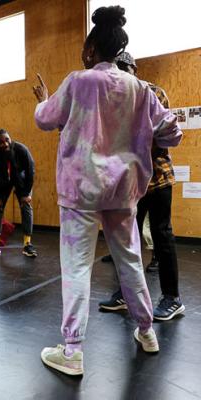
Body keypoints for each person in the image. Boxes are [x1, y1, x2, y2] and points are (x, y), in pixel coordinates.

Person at [33, 6, 182, 376]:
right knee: (130, 260)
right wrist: (141, 136)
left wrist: (43, 97)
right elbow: (172, 132)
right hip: (122, 192)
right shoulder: (140, 88)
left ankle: (72, 351)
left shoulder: (78, 81)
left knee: (77, 267)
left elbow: (45, 119)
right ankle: (147, 332)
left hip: (80, 191)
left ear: (90, 50)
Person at [99, 52, 185, 321]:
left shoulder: (153, 94)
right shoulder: (115, 100)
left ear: (134, 69)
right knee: (128, 240)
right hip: (133, 184)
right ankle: (127, 293)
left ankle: (172, 298)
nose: (123, 73)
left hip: (158, 179)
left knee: (162, 235)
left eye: (126, 68)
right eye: (118, 69)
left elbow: (163, 139)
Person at [0, 129, 37, 257]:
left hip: (21, 180)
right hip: (3, 180)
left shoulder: (21, 150)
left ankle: (27, 244)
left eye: (7, 139)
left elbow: (30, 172)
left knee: (26, 206)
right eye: (1, 142)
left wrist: (26, 194)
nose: (5, 144)